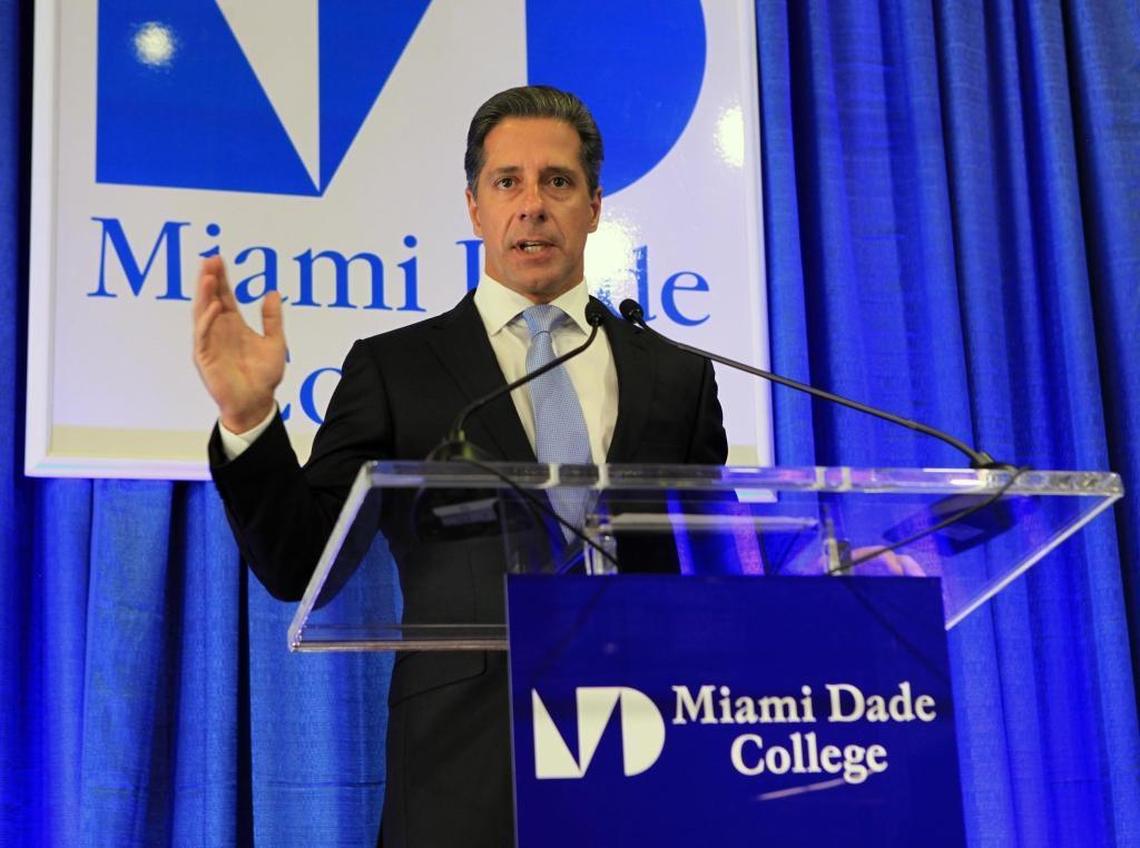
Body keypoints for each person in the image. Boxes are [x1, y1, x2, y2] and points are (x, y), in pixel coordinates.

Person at [193, 85, 727, 848]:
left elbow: (711, 566)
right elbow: (298, 561)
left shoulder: (675, 376)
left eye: (558, 182)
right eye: (507, 181)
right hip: (464, 772)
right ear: (474, 206)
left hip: (645, 757)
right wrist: (248, 421)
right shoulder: (396, 369)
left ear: (595, 205)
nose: (532, 204)